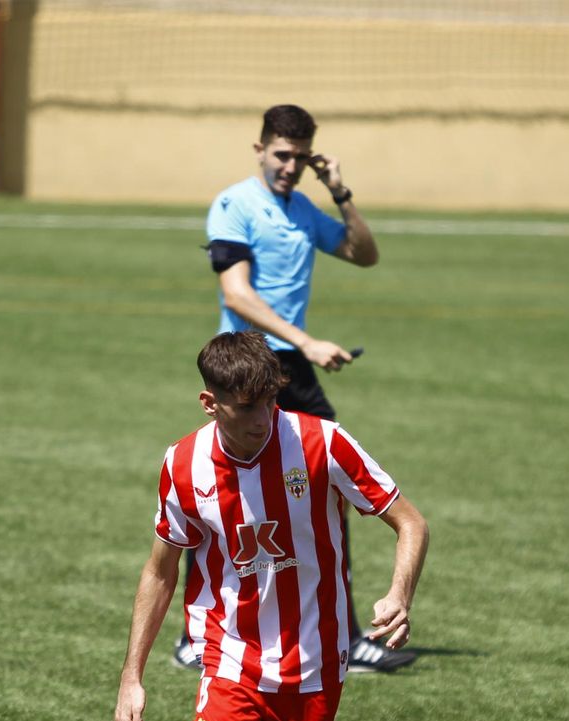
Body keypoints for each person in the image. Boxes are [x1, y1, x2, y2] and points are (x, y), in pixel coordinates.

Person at [85, 330, 429, 721]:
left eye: (269, 401)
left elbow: (410, 522)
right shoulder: (183, 465)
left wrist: (400, 593)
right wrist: (130, 677)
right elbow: (161, 572)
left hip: (318, 665)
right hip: (232, 655)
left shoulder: (322, 442)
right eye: (245, 407)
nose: (262, 419)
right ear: (209, 403)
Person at [173, 103, 411, 674]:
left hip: (293, 371)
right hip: (246, 369)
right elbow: (236, 294)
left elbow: (364, 254)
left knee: (332, 490)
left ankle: (341, 635)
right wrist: (305, 341)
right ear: (260, 149)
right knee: (215, 498)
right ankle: (195, 635)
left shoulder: (304, 208)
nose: (290, 166)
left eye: (300, 158)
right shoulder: (233, 205)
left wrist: (340, 191)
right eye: (282, 155)